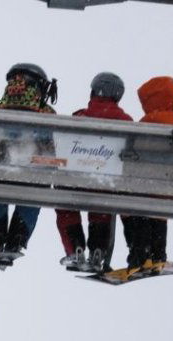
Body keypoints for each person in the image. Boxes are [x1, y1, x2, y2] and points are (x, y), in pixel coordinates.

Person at [112, 76, 173, 280]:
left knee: (133, 205)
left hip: (145, 189)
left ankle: (139, 255)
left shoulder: (145, 124)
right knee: (156, 206)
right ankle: (157, 256)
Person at [55, 72, 133, 272]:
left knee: (66, 205)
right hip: (106, 184)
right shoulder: (127, 122)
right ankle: (98, 249)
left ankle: (75, 248)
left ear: (93, 92)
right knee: (102, 209)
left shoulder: (79, 117)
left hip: (76, 181)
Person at [0, 63, 59, 263]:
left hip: (0, 176)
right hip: (33, 176)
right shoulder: (46, 112)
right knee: (36, 192)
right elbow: (56, 150)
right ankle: (17, 239)